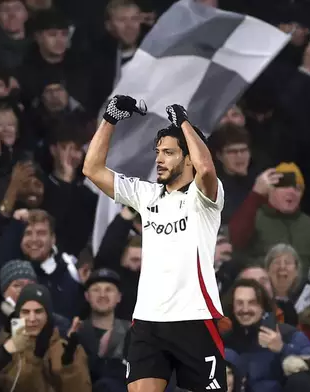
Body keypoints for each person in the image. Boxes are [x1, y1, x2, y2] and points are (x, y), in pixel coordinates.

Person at [83, 95, 227, 392]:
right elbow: (92, 169)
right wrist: (109, 119)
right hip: (148, 318)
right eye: (158, 152)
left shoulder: (205, 199)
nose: (159, 159)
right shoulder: (146, 195)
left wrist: (184, 122)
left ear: (188, 158)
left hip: (194, 317)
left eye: (169, 153)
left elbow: (208, 170)